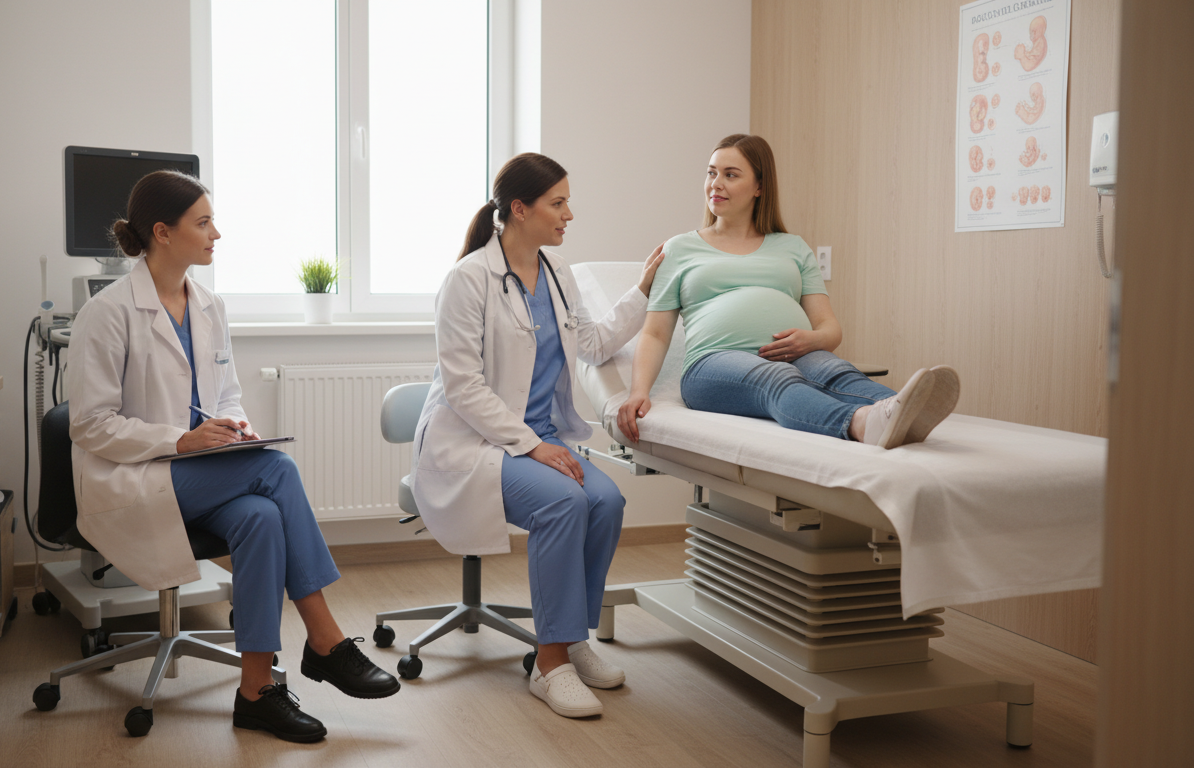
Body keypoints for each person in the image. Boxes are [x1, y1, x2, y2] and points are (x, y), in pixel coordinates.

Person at [66, 170, 398, 744]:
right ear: (163, 233)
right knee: (278, 470)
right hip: (135, 479)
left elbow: (227, 395)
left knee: (262, 516)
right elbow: (89, 424)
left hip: (198, 473)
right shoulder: (110, 312)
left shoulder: (209, 305)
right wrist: (180, 440)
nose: (216, 233)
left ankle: (255, 694)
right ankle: (325, 639)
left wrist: (237, 430)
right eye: (204, 222)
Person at [411, 153, 663, 719]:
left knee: (606, 499)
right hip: (475, 443)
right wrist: (531, 444)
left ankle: (572, 639)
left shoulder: (557, 273)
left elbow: (591, 344)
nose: (569, 213)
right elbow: (463, 387)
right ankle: (550, 665)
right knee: (563, 503)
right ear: (519, 210)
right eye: (559, 202)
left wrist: (643, 290)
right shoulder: (467, 279)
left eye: (568, 201)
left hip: (541, 436)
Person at [617, 134, 959, 449]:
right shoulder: (679, 249)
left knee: (836, 372)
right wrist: (638, 392)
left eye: (730, 175)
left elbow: (829, 327)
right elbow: (656, 333)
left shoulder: (793, 247)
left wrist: (812, 340)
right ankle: (859, 423)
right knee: (778, 377)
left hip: (797, 354)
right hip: (713, 366)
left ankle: (903, 409)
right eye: (711, 173)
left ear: (759, 187)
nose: (715, 184)